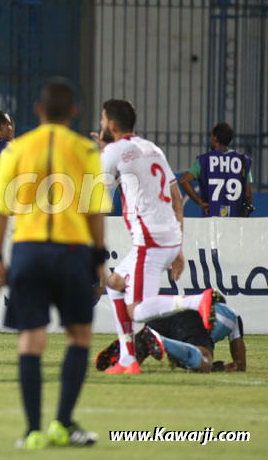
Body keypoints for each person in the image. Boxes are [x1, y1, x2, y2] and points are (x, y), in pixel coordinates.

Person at [0, 78, 109, 449]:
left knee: (31, 341)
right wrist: (99, 260)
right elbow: (95, 211)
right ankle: (63, 423)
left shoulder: (16, 149)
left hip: (28, 252)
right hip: (71, 252)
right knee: (79, 337)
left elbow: (0, 211)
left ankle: (33, 430)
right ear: (73, 112)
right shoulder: (86, 150)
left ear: (38, 110)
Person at [92, 99, 224, 375]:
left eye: (103, 120)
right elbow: (177, 199)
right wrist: (177, 248)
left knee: (137, 311)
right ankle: (128, 359)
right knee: (115, 285)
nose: (101, 124)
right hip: (168, 238)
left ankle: (195, 301)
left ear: (112, 125)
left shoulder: (114, 151)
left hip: (149, 241)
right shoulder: (152, 149)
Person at [96, 301, 246, 373]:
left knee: (133, 363)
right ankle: (161, 341)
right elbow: (240, 365)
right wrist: (219, 367)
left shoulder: (198, 300)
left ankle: (126, 353)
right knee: (204, 362)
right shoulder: (233, 316)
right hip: (192, 318)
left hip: (167, 311)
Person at [179, 122, 254, 217]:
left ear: (215, 138)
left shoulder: (204, 160)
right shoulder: (243, 161)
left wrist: (200, 202)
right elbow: (248, 194)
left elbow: (183, 180)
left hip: (211, 217)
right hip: (235, 219)